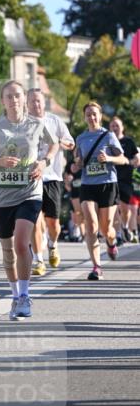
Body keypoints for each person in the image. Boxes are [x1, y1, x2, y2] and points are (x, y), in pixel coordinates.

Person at [0, 80, 57, 321]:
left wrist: (44, 163)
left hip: (29, 191)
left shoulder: (36, 124)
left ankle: (24, 295)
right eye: (9, 96)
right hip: (2, 196)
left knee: (22, 243)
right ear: (2, 101)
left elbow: (53, 145)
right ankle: (14, 295)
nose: (14, 100)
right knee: (8, 250)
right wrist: (0, 161)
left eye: (18, 96)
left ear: (24, 99)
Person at [73, 101, 126, 281]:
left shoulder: (109, 136)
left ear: (100, 116)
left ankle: (111, 242)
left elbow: (123, 159)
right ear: (84, 117)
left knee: (106, 229)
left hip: (107, 184)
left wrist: (109, 157)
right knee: (91, 225)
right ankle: (96, 267)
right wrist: (77, 165)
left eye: (94, 114)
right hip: (88, 185)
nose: (92, 117)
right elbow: (77, 163)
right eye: (88, 114)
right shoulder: (80, 138)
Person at [26, 88, 75, 273]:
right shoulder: (23, 123)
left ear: (43, 102)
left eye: (38, 101)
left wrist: (56, 142)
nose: (35, 104)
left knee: (53, 223)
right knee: (35, 221)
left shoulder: (54, 121)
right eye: (31, 101)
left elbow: (71, 144)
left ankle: (53, 245)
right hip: (31, 179)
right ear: (27, 103)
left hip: (52, 177)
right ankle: (38, 260)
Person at [109, 115, 139, 244]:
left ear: (122, 127)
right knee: (114, 208)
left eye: (117, 125)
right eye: (112, 126)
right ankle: (119, 235)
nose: (115, 128)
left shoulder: (128, 141)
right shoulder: (107, 141)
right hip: (111, 178)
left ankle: (125, 227)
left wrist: (130, 161)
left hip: (125, 180)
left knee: (125, 209)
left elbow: (137, 158)